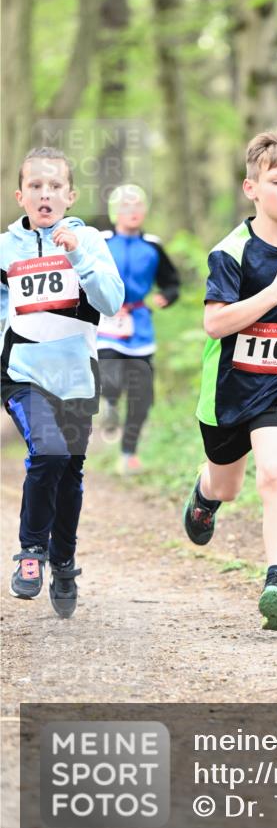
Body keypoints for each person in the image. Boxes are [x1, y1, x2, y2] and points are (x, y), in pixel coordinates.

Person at [183, 124, 277, 630]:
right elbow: (215, 322)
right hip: (229, 389)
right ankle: (204, 495)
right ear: (252, 189)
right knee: (227, 485)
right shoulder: (230, 251)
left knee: (273, 473)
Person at [0, 147, 124, 617]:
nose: (45, 193)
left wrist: (78, 258)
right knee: (47, 449)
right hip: (23, 374)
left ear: (70, 195)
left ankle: (65, 561)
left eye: (55, 186)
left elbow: (112, 302)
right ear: (21, 194)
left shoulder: (90, 241)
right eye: (36, 186)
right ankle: (31, 550)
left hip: (76, 376)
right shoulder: (5, 248)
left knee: (70, 472)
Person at [97, 183, 180, 474]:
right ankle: (108, 404)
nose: (132, 212)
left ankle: (128, 453)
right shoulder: (101, 242)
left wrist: (166, 297)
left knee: (142, 395)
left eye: (137, 206)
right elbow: (81, 276)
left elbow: (172, 282)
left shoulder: (153, 246)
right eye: (125, 207)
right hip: (105, 323)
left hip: (139, 324)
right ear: (114, 212)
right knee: (110, 377)